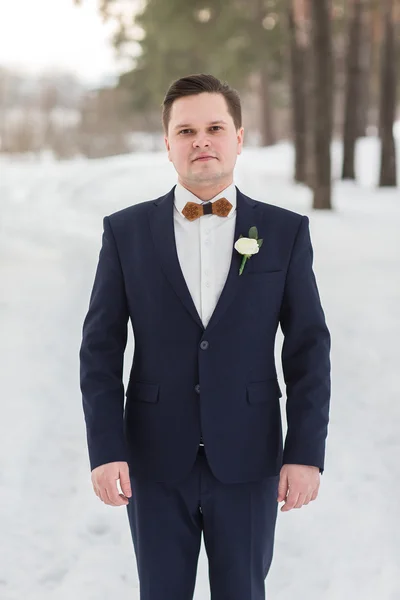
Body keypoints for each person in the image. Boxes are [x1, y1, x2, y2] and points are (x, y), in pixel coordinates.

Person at [79, 73, 331, 600]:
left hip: (249, 458)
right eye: (186, 130)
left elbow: (308, 349)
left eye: (215, 127)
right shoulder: (124, 233)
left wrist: (305, 452)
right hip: (153, 460)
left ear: (239, 137)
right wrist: (105, 449)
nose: (202, 141)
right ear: (166, 145)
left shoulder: (284, 233)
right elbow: (101, 350)